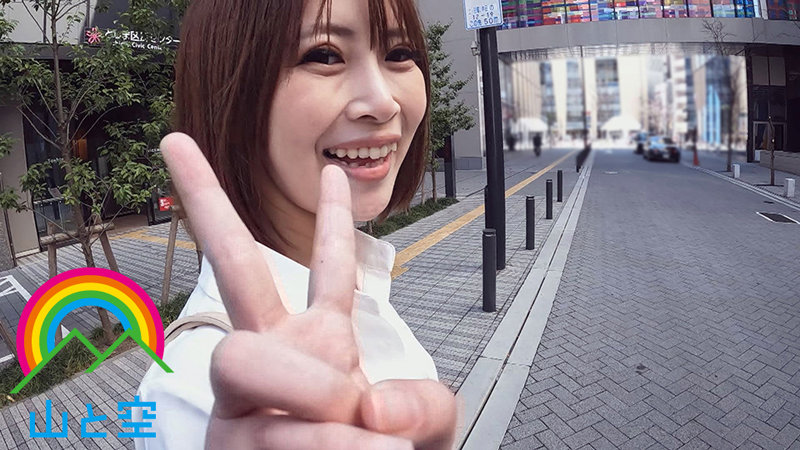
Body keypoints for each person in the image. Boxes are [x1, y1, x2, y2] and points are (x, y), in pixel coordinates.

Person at [135, 0, 458, 448]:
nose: (384, 102)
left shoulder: (356, 285)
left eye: (399, 53)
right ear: (230, 92)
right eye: (324, 55)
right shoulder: (197, 391)